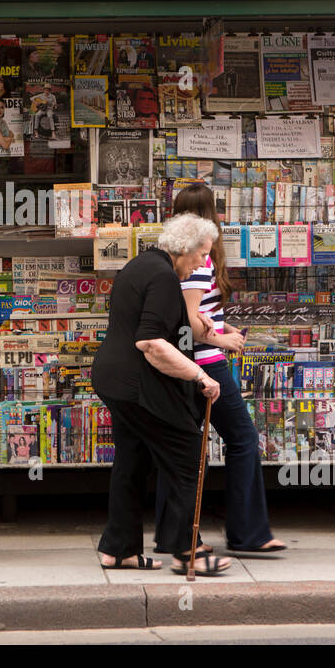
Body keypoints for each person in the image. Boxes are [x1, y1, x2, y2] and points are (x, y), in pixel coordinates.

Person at [93, 213, 230, 576]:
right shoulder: (165, 278)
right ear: (184, 249)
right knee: (187, 451)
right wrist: (201, 375)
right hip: (138, 385)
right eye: (202, 254)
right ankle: (187, 550)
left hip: (112, 380)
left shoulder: (141, 264)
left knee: (132, 459)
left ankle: (119, 550)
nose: (205, 262)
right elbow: (151, 343)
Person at [155, 183, 284, 554]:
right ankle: (249, 533)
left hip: (186, 365)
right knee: (243, 440)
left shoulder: (176, 253)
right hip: (205, 365)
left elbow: (199, 313)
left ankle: (173, 535)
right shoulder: (201, 258)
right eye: (217, 209)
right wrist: (221, 340)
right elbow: (189, 318)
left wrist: (222, 325)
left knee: (184, 449)